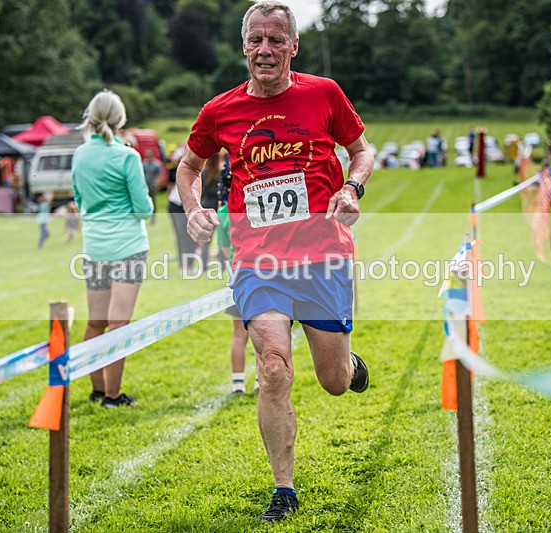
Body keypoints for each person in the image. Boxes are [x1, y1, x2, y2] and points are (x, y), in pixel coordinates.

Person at [176, 1, 373, 522]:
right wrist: (193, 210)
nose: (265, 50)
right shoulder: (219, 110)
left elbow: (362, 150)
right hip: (257, 261)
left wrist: (352, 189)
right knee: (273, 367)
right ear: (244, 47)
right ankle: (283, 489)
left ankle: (349, 366)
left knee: (331, 380)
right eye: (256, 40)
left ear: (293, 46)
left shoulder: (324, 94)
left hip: (323, 256)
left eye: (275, 40)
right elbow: (188, 167)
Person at [72, 89, 154, 408]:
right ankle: (112, 395)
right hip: (128, 247)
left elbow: (79, 201)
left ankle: (96, 390)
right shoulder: (127, 156)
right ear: (121, 120)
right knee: (119, 323)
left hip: (95, 247)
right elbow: (144, 209)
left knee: (96, 321)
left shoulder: (79, 155)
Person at [216, 154, 260, 394]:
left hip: (235, 277)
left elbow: (223, 250)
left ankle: (237, 383)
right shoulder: (257, 205)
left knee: (238, 334)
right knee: (265, 333)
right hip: (260, 276)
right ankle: (259, 381)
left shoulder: (222, 213)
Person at [143, 149, 162, 226]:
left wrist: (157, 183)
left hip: (153, 186)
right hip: (146, 186)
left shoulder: (156, 164)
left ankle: (153, 218)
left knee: (153, 202)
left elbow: (159, 175)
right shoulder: (144, 164)